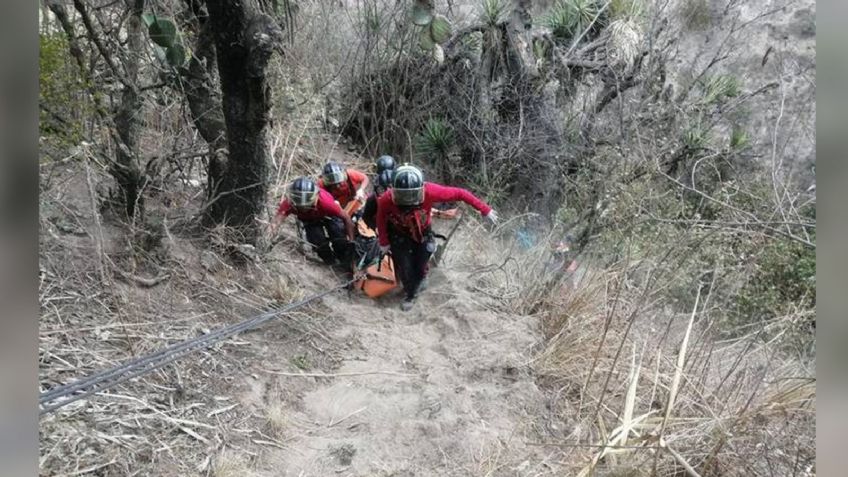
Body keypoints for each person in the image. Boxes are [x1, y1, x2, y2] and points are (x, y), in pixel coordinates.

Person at [376, 164, 498, 310]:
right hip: (400, 233)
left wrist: (485, 210)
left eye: (412, 195)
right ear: (394, 191)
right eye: (403, 195)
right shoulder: (386, 199)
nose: (408, 200)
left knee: (421, 262)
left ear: (421, 189)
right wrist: (384, 241)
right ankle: (410, 294)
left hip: (422, 232)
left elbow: (461, 193)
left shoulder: (430, 191)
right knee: (405, 265)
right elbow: (380, 218)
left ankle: (422, 276)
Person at [270, 177, 355, 266]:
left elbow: (346, 218)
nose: (303, 206)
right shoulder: (289, 203)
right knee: (318, 242)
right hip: (310, 220)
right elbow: (276, 222)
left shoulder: (326, 203)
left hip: (329, 214)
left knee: (338, 233)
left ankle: (344, 259)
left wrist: (352, 242)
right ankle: (331, 262)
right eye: (299, 203)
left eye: (307, 203)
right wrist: (265, 238)